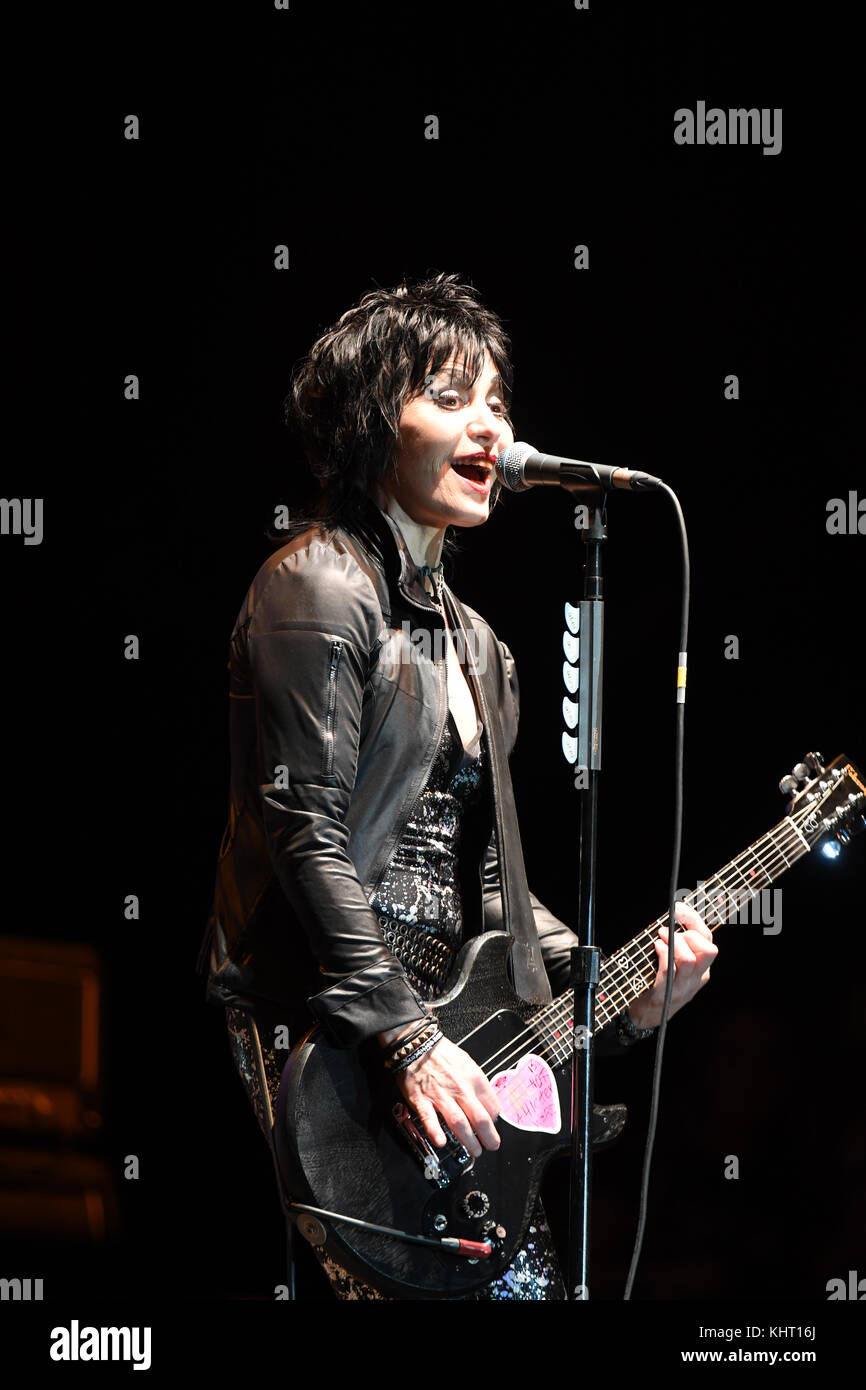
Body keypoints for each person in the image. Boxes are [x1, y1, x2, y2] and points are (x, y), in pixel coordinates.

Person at [196, 272, 718, 1300]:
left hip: (444, 1023)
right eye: (448, 394)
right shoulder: (315, 581)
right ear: (365, 423)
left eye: (496, 399)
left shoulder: (481, 648)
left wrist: (616, 985)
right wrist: (403, 1036)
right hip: (329, 1024)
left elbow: (485, 883)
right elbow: (300, 827)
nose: (488, 424)